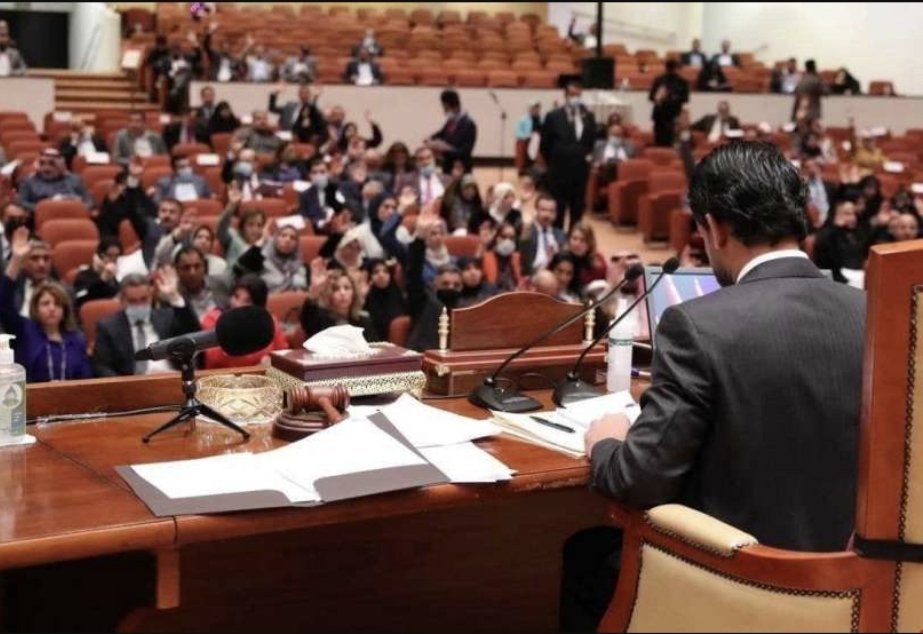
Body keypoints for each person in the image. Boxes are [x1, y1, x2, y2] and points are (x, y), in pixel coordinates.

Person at [565, 142, 865, 631]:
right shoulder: (872, 312)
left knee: (588, 554)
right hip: (854, 592)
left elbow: (639, 480)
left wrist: (606, 443)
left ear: (716, 227)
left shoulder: (696, 325)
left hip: (741, 587)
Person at [0, 227, 91, 382]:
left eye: (57, 304)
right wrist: (16, 260)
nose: (52, 308)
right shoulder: (26, 331)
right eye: (45, 304)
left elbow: (86, 379)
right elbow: (4, 304)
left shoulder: (76, 339)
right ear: (36, 308)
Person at [92, 270, 201, 377]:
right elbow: (101, 366)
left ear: (151, 296)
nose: (139, 305)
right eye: (132, 301)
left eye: (143, 299)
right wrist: (124, 385)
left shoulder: (167, 317)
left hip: (171, 378)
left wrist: (175, 297)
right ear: (122, 300)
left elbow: (193, 334)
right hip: (133, 384)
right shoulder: (109, 328)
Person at [539, 79, 597, 230]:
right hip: (558, 172)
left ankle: (574, 239)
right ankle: (557, 238)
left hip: (580, 172)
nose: (575, 98)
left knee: (577, 211)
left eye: (578, 95)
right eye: (572, 94)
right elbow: (545, 145)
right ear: (565, 96)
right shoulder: (553, 116)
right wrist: (555, 161)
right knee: (557, 211)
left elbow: (591, 141)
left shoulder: (588, 116)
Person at [201, 274, 288, 369]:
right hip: (222, 376)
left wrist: (271, 361)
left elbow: (283, 354)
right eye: (236, 296)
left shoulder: (268, 322)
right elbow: (213, 358)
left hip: (263, 376)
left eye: (247, 301)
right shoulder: (212, 319)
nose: (238, 305)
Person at [300, 258, 378, 341]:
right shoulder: (319, 319)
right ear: (328, 294)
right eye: (335, 289)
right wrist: (314, 290)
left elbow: (373, 346)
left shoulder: (363, 321)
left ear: (354, 293)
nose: (342, 293)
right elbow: (306, 320)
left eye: (347, 288)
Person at [17, 148, 95, 213]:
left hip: (73, 215)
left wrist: (77, 208)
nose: (46, 168)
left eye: (52, 163)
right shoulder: (29, 181)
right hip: (45, 216)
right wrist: (46, 208)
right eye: (42, 163)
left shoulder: (74, 179)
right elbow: (22, 202)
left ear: (62, 164)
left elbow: (89, 201)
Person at [812, 199, 866, 284]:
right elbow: (830, 262)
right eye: (847, 214)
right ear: (836, 215)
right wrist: (836, 227)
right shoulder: (828, 234)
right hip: (837, 278)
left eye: (854, 214)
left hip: (857, 275)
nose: (853, 218)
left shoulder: (857, 232)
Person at [426, 89, 477, 174]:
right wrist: (431, 138)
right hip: (448, 165)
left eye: (445, 107)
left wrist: (445, 149)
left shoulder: (469, 124)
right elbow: (442, 133)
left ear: (452, 106)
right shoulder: (451, 121)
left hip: (461, 168)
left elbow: (465, 151)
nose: (444, 110)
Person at [519, 194, 567, 277]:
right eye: (543, 210)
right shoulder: (526, 229)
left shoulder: (560, 235)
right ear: (536, 210)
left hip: (555, 276)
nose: (547, 215)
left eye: (551, 211)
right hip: (532, 275)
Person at [362, 258, 407, 343]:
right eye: (376, 272)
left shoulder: (397, 295)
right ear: (369, 277)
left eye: (385, 271)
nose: (381, 275)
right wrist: (363, 296)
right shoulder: (366, 298)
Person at [72, 237, 122, 310]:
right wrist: (102, 279)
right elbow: (80, 297)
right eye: (109, 255)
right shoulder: (84, 276)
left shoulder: (115, 278)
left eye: (116, 256)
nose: (113, 260)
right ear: (99, 256)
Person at [649, 60, 689, 147]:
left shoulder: (681, 82)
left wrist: (668, 98)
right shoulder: (660, 80)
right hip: (664, 115)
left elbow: (651, 97)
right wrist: (661, 97)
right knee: (664, 141)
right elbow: (685, 99)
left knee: (666, 141)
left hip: (670, 115)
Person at [792, 59, 827, 124]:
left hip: (801, 110)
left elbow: (795, 91)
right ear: (814, 68)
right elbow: (826, 92)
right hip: (813, 111)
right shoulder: (816, 80)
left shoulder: (801, 80)